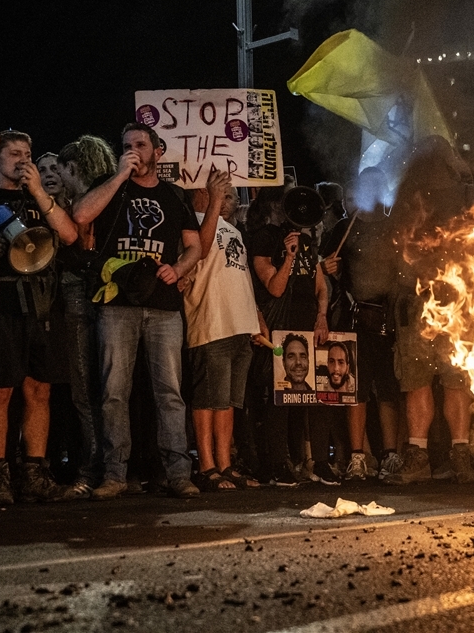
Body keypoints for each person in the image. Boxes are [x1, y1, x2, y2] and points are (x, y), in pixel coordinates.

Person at [73, 123, 202, 500]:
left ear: (157, 152)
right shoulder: (111, 186)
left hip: (163, 305)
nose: (134, 151)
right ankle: (115, 474)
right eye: (127, 146)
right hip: (117, 303)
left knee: (169, 392)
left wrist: (177, 269)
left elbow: (194, 247)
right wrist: (118, 176)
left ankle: (179, 473)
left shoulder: (175, 197)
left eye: (141, 145)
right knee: (114, 391)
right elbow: (81, 215)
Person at [0, 129, 78, 505]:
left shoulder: (41, 198)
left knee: (39, 389)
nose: (22, 159)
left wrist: (38, 193)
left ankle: (35, 474)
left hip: (43, 304)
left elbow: (68, 233)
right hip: (0, 302)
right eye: (13, 153)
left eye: (27, 153)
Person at [386, 138, 474, 486]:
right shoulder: (410, 199)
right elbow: (393, 247)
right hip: (418, 303)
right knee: (420, 381)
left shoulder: (468, 197)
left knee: (452, 380)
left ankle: (456, 455)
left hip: (454, 301)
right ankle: (423, 456)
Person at [180, 172, 266, 492]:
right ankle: (206, 466)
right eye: (220, 192)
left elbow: (240, 276)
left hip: (238, 324)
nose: (228, 197)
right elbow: (198, 252)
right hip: (209, 322)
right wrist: (214, 202)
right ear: (201, 190)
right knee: (207, 398)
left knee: (228, 401)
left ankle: (225, 464)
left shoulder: (233, 230)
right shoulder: (190, 224)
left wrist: (254, 317)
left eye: (228, 194)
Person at [320, 167, 404, 482]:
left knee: (388, 389)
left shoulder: (396, 226)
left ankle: (391, 456)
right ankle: (357, 457)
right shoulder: (345, 228)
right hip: (354, 318)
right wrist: (324, 267)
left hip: (389, 317)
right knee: (355, 389)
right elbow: (320, 270)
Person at [44, 136, 117, 498]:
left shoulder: (94, 199)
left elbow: (79, 228)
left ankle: (93, 471)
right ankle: (110, 469)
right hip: (106, 290)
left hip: (82, 289)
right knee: (105, 389)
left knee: (87, 390)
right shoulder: (114, 192)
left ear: (74, 168)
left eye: (62, 170)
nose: (60, 176)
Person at [250, 187, 334, 485]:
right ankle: (278, 464)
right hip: (280, 330)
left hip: (309, 327)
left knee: (317, 396)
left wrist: (321, 315)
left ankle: (319, 462)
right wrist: (288, 256)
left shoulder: (309, 243)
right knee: (281, 399)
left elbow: (321, 287)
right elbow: (274, 288)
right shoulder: (264, 238)